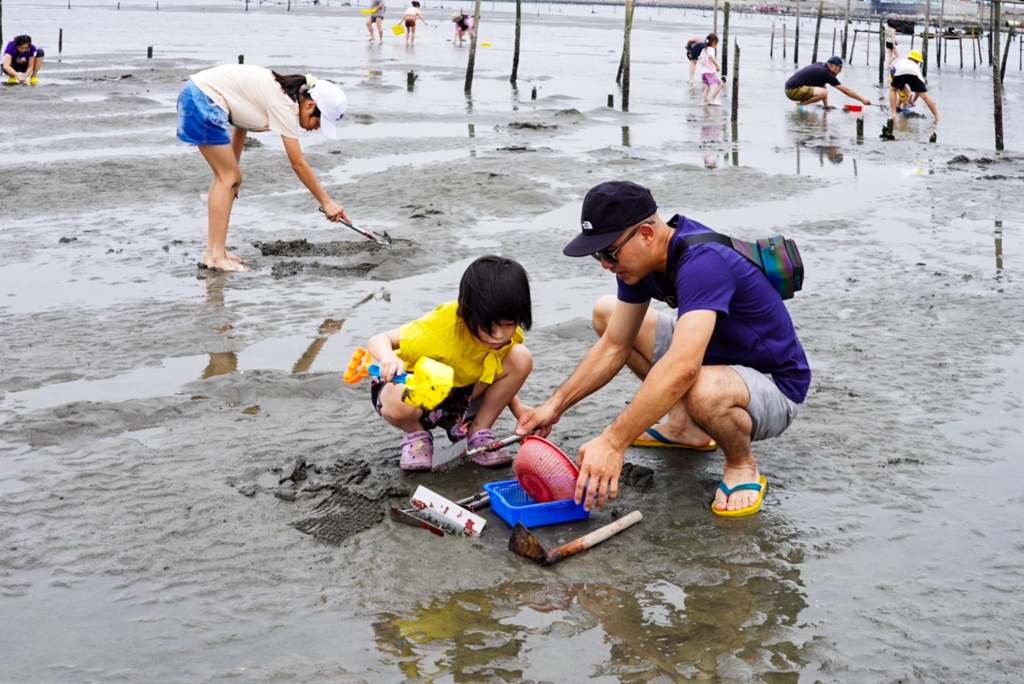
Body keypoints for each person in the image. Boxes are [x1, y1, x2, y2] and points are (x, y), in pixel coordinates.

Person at [515, 181, 810, 516]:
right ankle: (686, 427)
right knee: (606, 312)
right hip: (718, 360)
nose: (605, 264)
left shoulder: (702, 263)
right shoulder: (639, 265)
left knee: (700, 385)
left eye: (609, 252)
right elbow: (615, 345)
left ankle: (741, 464)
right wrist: (555, 405)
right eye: (599, 255)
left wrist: (613, 443)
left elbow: (684, 366)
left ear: (646, 234)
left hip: (773, 384)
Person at [366, 256, 535, 471]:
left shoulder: (508, 337)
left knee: (521, 357)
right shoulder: (440, 327)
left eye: (509, 324)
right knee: (398, 397)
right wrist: (389, 358)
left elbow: (495, 369)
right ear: (466, 311)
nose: (498, 336)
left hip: (461, 397)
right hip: (415, 390)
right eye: (488, 327)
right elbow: (379, 339)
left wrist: (518, 408)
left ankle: (478, 432)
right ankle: (416, 435)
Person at [176, 65, 350, 272]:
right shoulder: (285, 104)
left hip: (199, 96)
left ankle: (217, 251)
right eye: (320, 121)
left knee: (228, 178)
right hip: (201, 99)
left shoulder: (283, 95)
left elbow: (242, 125)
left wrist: (233, 177)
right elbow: (297, 163)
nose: (318, 127)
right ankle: (214, 256)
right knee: (227, 178)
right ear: (310, 105)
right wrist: (326, 202)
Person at [784, 56, 871, 110]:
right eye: (839, 69)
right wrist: (862, 100)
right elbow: (846, 90)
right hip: (793, 90)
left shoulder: (821, 66)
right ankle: (800, 106)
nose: (840, 72)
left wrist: (826, 105)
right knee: (823, 92)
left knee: (823, 91)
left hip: (790, 89)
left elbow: (823, 85)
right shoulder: (826, 73)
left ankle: (800, 105)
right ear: (833, 66)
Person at [890, 50, 940, 122]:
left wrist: (896, 86)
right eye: (917, 62)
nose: (917, 63)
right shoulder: (916, 68)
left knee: (893, 90)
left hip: (900, 71)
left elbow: (892, 73)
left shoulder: (901, 62)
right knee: (925, 95)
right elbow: (919, 91)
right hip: (914, 72)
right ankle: (937, 117)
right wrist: (913, 101)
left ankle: (894, 114)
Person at [698, 33, 724, 106]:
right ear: (713, 43)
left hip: (703, 72)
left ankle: (704, 101)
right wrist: (717, 65)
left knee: (707, 86)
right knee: (721, 84)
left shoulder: (704, 49)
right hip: (710, 72)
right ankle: (712, 100)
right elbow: (710, 56)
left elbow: (700, 59)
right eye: (716, 43)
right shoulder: (711, 49)